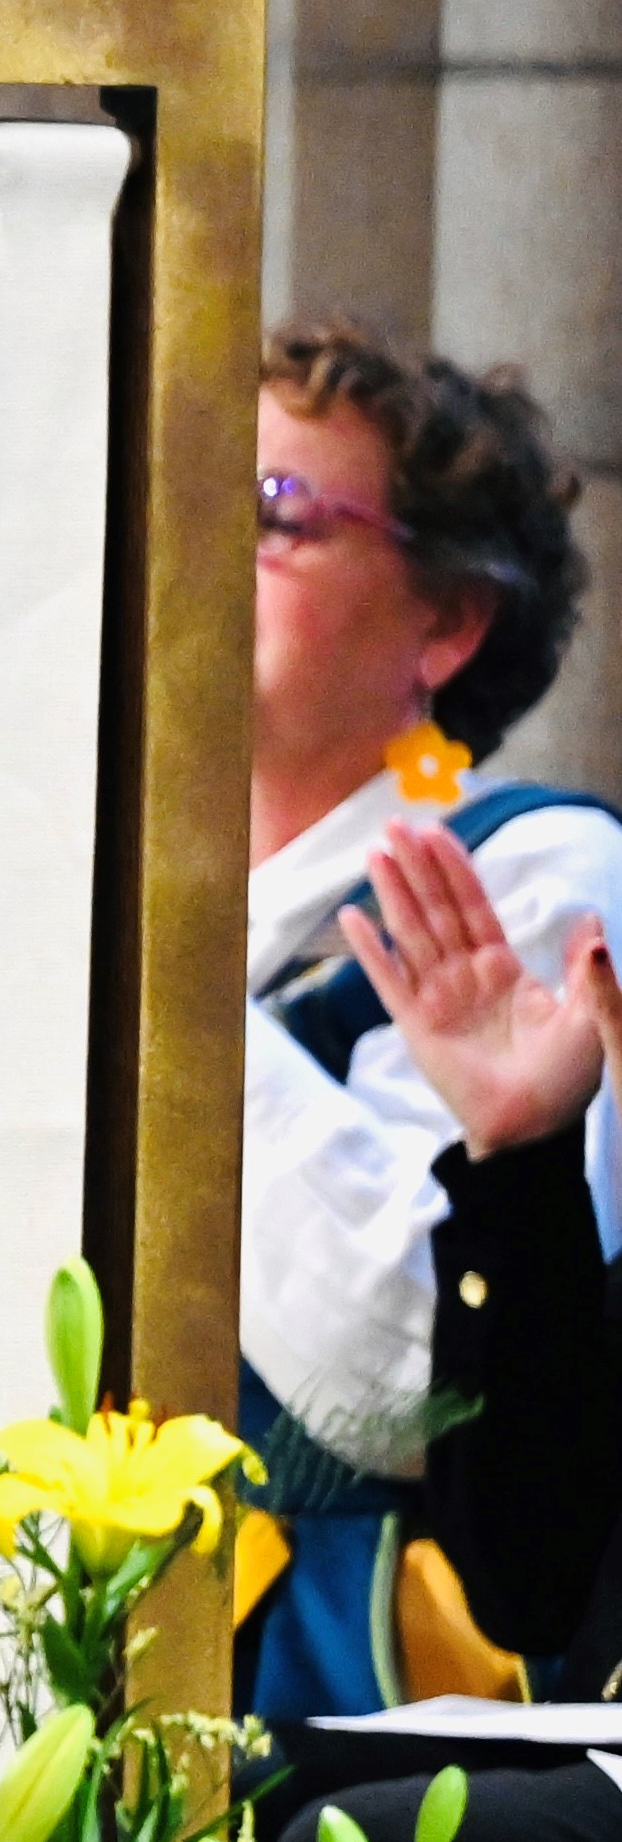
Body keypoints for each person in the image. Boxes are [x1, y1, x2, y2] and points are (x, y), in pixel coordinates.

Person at [237, 326, 620, 1717]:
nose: (195, 542)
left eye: (272, 512)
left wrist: (162, 1009)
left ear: (444, 623)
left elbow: (409, 1384)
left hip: (361, 1716)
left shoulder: (532, 869)